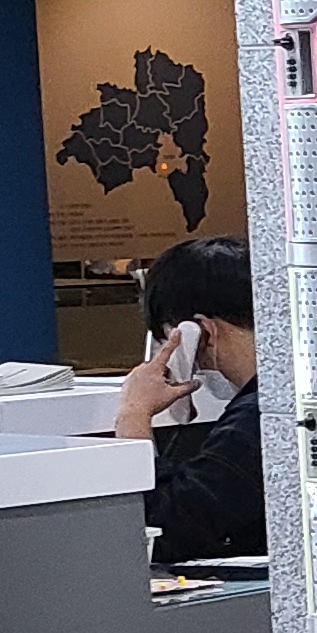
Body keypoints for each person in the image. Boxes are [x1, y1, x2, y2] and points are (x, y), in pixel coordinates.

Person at [112, 236, 267, 562]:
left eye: (168, 340)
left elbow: (164, 533)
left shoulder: (257, 418)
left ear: (201, 332)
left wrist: (133, 416)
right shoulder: (274, 403)